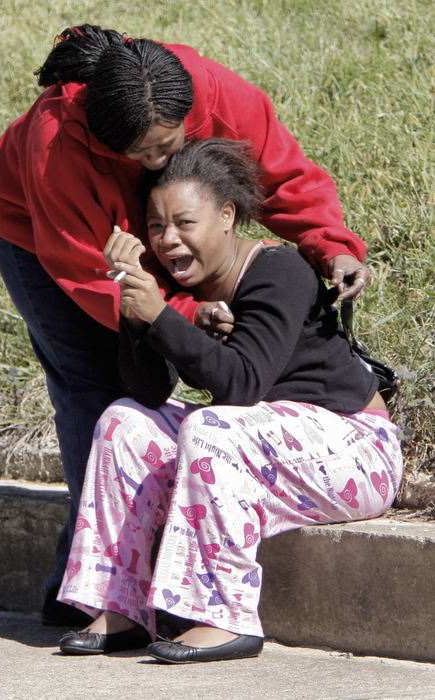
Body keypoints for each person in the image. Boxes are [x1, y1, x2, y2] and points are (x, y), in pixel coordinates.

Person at [0, 24, 372, 625]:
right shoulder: (56, 147)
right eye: (143, 156)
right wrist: (180, 315)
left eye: (169, 147)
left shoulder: (214, 91)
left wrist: (330, 243)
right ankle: (93, 591)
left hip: (164, 223)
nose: (159, 163)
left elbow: (283, 175)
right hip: (38, 234)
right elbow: (91, 276)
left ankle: (151, 576)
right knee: (96, 385)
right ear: (104, 141)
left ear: (191, 111)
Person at [55, 139, 403, 664]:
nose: (168, 239)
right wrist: (135, 313)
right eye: (155, 227)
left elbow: (242, 387)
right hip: (270, 443)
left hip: (355, 450)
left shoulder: (278, 271)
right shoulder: (186, 291)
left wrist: (161, 317)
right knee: (124, 421)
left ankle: (223, 615)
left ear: (226, 216)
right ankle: (121, 605)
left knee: (214, 428)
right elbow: (149, 393)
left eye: (184, 223)